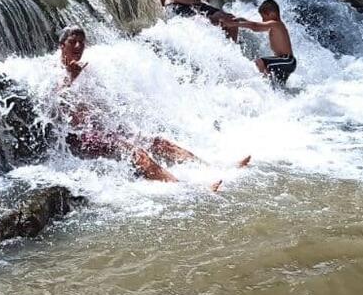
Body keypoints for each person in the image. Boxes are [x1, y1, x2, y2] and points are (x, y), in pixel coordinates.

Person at [57, 27, 247, 186]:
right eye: (73, 41)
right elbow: (54, 105)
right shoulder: (52, 72)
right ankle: (187, 189)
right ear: (61, 45)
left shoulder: (88, 69)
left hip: (102, 130)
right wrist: (70, 78)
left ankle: (215, 170)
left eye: (82, 42)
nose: (78, 46)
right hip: (80, 139)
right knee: (136, 153)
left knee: (159, 142)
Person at [221, 0, 297, 85]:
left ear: (272, 14)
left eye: (264, 17)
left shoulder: (276, 24)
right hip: (283, 62)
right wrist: (241, 20)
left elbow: (255, 26)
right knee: (278, 86)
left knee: (260, 62)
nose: (263, 20)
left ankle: (268, 87)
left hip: (287, 60)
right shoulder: (274, 26)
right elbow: (254, 25)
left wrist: (233, 24)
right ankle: (274, 93)